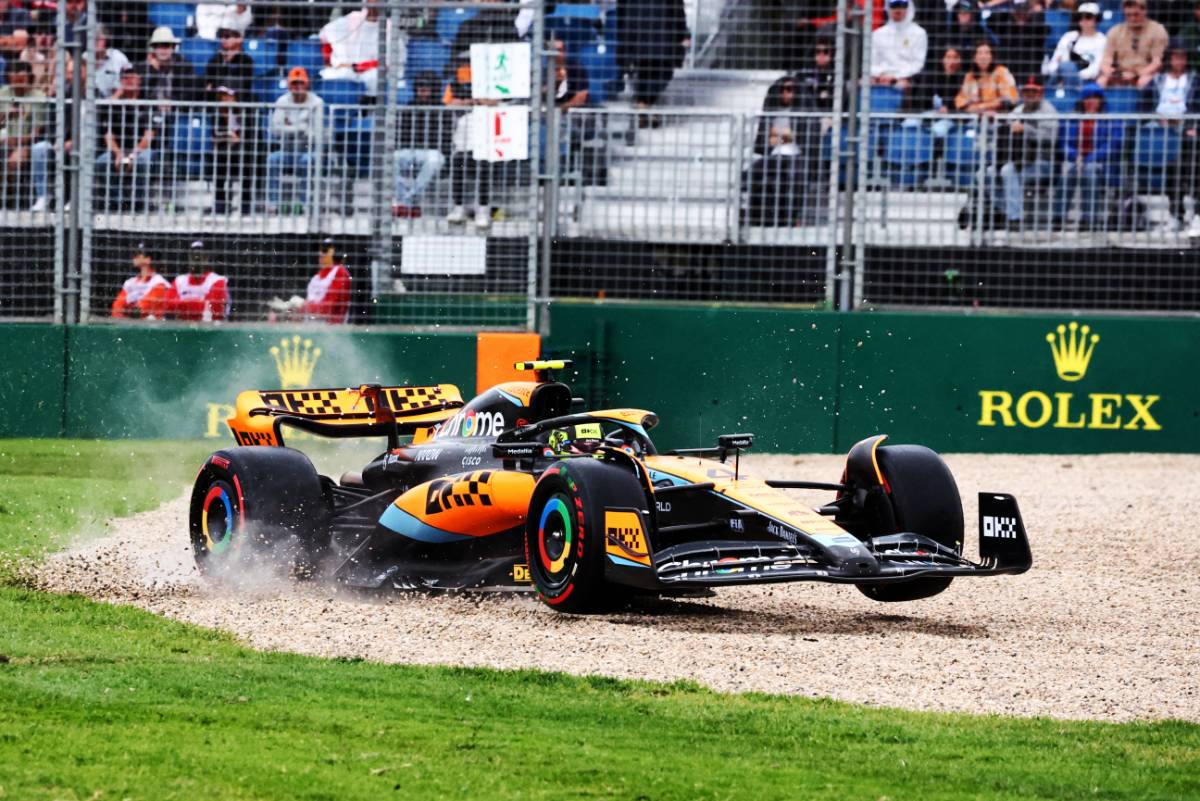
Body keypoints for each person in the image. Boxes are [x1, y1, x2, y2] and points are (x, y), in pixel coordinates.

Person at [1055, 82, 1124, 229]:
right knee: (1067, 171)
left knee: (1089, 171)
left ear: (1101, 101)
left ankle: (1089, 219)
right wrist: (1075, 156)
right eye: (1087, 98)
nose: (1091, 102)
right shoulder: (1071, 118)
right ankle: (1058, 217)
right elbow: (1063, 143)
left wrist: (1089, 158)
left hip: (1101, 162)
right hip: (1075, 160)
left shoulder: (1111, 119)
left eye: (1095, 98)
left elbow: (1113, 144)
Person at [996, 75, 1059, 229]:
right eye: (1027, 91)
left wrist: (1027, 129)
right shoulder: (1018, 110)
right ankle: (1001, 212)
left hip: (1042, 163)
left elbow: (1050, 139)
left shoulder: (1048, 111)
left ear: (1041, 93)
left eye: (1034, 91)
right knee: (988, 173)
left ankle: (1015, 219)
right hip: (1019, 160)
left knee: (1008, 171)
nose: (1030, 95)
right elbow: (1004, 126)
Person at [1150, 39, 1200, 231]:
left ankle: (1196, 215)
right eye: (1176, 57)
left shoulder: (1195, 79)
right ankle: (1175, 216)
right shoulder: (1158, 80)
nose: (1179, 61)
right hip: (1161, 128)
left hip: (1188, 130)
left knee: (1193, 168)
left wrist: (1191, 124)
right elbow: (1146, 105)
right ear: (1169, 59)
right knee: (1172, 172)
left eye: (1183, 57)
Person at [617, 0, 690, 121]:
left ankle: (644, 106)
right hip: (662, 37)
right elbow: (678, 13)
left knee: (644, 73)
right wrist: (682, 34)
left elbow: (621, 12)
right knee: (661, 74)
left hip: (636, 36)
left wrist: (624, 37)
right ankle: (645, 106)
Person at [267, 66, 325, 214]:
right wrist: (300, 128)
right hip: (287, 149)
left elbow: (316, 134)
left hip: (307, 150)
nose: (297, 87)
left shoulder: (316, 102)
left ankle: (306, 204)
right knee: (272, 159)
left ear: (306, 84)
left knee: (308, 161)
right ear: (289, 85)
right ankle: (273, 203)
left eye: (301, 83)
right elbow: (275, 129)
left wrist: (290, 127)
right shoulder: (282, 101)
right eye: (294, 83)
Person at [97, 67, 155, 211]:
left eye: (132, 77)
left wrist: (132, 155)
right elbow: (108, 134)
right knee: (102, 162)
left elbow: (149, 135)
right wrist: (118, 153)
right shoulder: (114, 105)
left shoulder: (147, 103)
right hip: (119, 150)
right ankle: (118, 201)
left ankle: (139, 202)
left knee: (143, 161)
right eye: (125, 78)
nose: (128, 80)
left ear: (140, 80)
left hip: (140, 150)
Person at [392, 72, 448, 218]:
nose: (422, 91)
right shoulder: (408, 108)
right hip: (410, 151)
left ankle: (408, 201)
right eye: (420, 88)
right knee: (392, 157)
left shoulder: (443, 110)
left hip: (432, 152)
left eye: (426, 88)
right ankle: (407, 201)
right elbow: (400, 134)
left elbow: (445, 138)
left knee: (435, 159)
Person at [319, 0, 402, 97]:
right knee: (336, 75)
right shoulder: (353, 19)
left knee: (374, 77)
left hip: (371, 73)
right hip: (348, 71)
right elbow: (325, 35)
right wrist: (328, 61)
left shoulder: (389, 27)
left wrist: (356, 67)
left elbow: (388, 62)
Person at [267, 238, 351, 324]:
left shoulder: (340, 272)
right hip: (312, 328)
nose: (320, 253)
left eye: (325, 250)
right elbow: (309, 307)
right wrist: (288, 308)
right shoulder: (316, 277)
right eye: (320, 250)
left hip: (331, 329)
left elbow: (330, 307)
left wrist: (303, 305)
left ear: (336, 253)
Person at [0, 61, 46, 208]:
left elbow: (37, 132)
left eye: (22, 80)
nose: (18, 85)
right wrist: (5, 114)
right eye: (15, 81)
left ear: (29, 78)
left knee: (13, 162)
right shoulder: (3, 93)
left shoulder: (38, 96)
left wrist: (17, 140)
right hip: (4, 140)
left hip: (26, 143)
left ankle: (10, 199)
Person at [1099, 0, 1169, 88]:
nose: (1132, 18)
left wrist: (1136, 74)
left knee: (1144, 81)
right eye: (1128, 15)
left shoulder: (1157, 30)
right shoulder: (1115, 31)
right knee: (1101, 81)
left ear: (1144, 11)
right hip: (1121, 73)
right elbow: (1106, 59)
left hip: (1144, 73)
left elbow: (1157, 63)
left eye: (1136, 14)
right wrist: (1113, 73)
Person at [209, 85, 257, 215]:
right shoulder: (216, 114)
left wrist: (238, 139)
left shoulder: (246, 113)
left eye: (228, 96)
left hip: (242, 149)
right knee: (219, 161)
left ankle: (245, 206)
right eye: (223, 97)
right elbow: (214, 137)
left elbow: (251, 135)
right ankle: (220, 204)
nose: (226, 99)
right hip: (223, 149)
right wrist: (228, 136)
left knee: (247, 161)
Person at [870, 0, 928, 100]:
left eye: (902, 5)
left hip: (906, 77)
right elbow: (871, 63)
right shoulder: (877, 34)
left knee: (902, 85)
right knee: (863, 82)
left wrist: (896, 77)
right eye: (894, 5)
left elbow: (917, 64)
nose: (898, 9)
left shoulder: (919, 33)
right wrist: (881, 75)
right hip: (880, 77)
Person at [986, 0, 1051, 84]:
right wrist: (1009, 12)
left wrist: (1036, 14)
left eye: (1024, 13)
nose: (1021, 16)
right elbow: (990, 21)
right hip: (1007, 73)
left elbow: (1044, 29)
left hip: (1028, 75)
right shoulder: (1006, 26)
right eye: (1018, 13)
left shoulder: (1035, 29)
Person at [1045, 3, 1108, 89]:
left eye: (1088, 17)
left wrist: (1072, 75)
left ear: (1096, 19)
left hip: (1086, 83)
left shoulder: (1102, 40)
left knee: (1067, 67)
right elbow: (1054, 63)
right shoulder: (1069, 37)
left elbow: (1095, 69)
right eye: (1080, 17)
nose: (1083, 20)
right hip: (1060, 79)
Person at [170, 240, 230, 321]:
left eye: (199, 255)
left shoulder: (218, 280)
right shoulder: (179, 281)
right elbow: (168, 306)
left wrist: (182, 305)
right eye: (193, 255)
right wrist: (202, 305)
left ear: (206, 257)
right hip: (183, 329)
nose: (196, 259)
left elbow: (214, 308)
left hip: (211, 330)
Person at [956, 40, 1018, 114]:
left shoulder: (1002, 72)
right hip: (974, 119)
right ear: (974, 58)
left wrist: (981, 107)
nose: (983, 57)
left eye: (987, 53)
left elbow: (1010, 99)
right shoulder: (970, 76)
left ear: (992, 57)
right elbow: (960, 101)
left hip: (999, 118)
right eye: (979, 53)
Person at [111, 242, 170, 319]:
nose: (134, 256)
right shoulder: (130, 282)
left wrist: (127, 305)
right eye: (135, 253)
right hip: (129, 324)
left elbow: (142, 309)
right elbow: (117, 307)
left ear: (148, 259)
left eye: (138, 253)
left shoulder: (159, 282)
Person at [203, 27, 255, 102]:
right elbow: (209, 84)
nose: (223, 40)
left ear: (239, 39)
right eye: (221, 37)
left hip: (237, 99)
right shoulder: (215, 59)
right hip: (216, 98)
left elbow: (245, 85)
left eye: (227, 37)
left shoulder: (246, 60)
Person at [94, 25, 132, 99]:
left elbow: (130, 79)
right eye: (93, 39)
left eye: (98, 39)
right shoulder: (84, 57)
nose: (95, 42)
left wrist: (113, 99)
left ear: (106, 39)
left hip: (114, 104)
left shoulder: (118, 57)